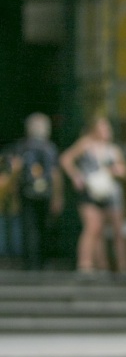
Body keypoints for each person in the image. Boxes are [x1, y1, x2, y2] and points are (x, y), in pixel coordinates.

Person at [59, 117, 126, 274]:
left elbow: (125, 170)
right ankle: (86, 264)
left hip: (111, 192)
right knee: (93, 227)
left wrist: (118, 170)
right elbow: (65, 159)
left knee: (117, 230)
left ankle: (122, 266)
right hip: (91, 191)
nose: (106, 131)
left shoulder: (112, 149)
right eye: (103, 128)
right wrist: (76, 176)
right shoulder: (85, 144)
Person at [8, 113, 63, 270]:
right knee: (43, 227)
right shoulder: (50, 148)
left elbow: (15, 171)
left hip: (26, 192)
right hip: (44, 193)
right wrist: (57, 196)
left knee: (28, 227)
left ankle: (31, 261)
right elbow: (55, 174)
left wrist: (13, 193)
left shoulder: (21, 147)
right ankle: (41, 261)